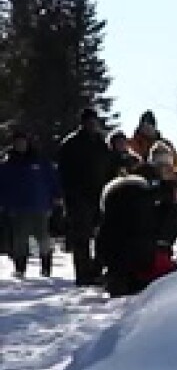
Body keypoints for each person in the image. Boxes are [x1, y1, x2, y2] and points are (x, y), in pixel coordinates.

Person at [96, 141, 177, 297]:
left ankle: (124, 277)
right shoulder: (145, 186)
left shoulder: (153, 186)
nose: (164, 169)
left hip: (131, 250)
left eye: (167, 165)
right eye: (160, 165)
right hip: (144, 250)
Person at [57, 107, 115, 285]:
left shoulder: (101, 143)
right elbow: (63, 173)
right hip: (78, 196)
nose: (92, 125)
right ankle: (83, 274)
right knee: (81, 237)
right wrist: (68, 195)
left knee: (101, 235)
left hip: (100, 194)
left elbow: (109, 168)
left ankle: (95, 270)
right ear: (82, 123)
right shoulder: (71, 144)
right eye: (89, 122)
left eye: (94, 121)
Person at [0, 129, 63, 278]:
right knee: (19, 240)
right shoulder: (6, 165)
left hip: (39, 205)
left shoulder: (40, 161)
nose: (20, 145)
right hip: (16, 208)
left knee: (43, 238)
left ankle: (46, 267)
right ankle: (20, 268)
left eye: (23, 142)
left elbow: (52, 179)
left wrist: (57, 195)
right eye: (17, 142)